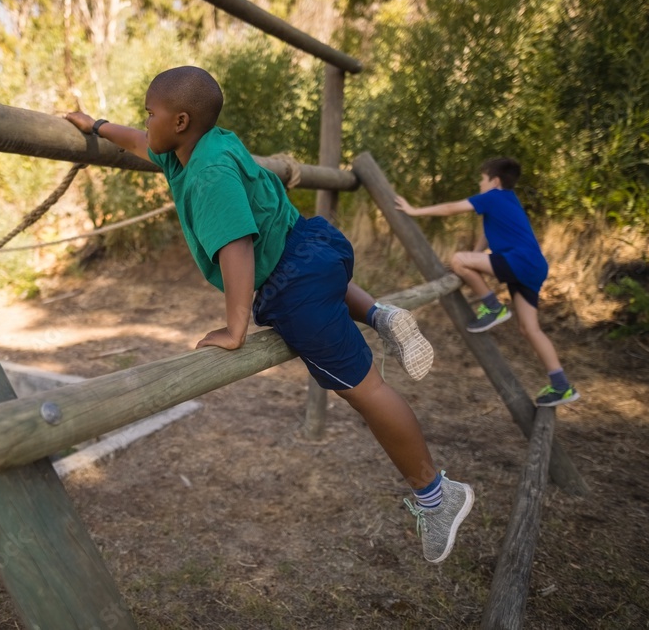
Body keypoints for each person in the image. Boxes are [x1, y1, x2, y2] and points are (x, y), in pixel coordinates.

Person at [65, 65, 473, 563]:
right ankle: (379, 314)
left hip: (295, 289)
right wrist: (98, 125)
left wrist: (236, 328)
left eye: (150, 113)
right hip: (317, 246)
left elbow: (237, 246)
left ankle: (436, 494)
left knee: (368, 392)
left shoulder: (208, 174)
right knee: (319, 278)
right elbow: (138, 141)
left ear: (180, 121)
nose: (144, 121)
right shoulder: (206, 143)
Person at [394, 157, 580, 408]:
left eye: (482, 179)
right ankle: (561, 385)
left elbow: (450, 208)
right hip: (533, 266)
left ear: (495, 181)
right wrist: (476, 256)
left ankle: (492, 306)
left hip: (519, 261)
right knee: (530, 329)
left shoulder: (493, 196)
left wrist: (414, 211)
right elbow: (487, 233)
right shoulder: (508, 201)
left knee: (458, 259)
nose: (480, 184)